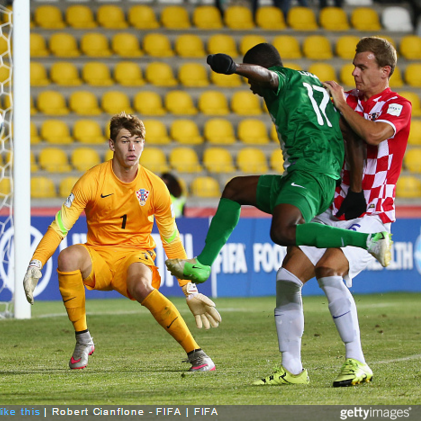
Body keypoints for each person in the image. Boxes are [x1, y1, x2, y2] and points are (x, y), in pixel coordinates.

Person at [253, 37, 411, 386]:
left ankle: (357, 361)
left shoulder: (398, 106)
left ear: (384, 71)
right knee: (286, 279)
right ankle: (292, 369)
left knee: (328, 270)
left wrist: (340, 103)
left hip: (372, 215)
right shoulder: (344, 102)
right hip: (333, 211)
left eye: (362, 67)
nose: (354, 73)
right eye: (354, 65)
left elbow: (371, 135)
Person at [166, 43, 392, 284]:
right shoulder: (314, 85)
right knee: (235, 190)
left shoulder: (282, 79)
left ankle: (369, 241)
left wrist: (235, 68)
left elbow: (268, 76)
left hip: (312, 175)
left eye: (251, 80)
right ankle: (203, 265)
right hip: (304, 174)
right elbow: (352, 137)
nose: (252, 88)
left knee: (283, 231)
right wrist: (355, 188)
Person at [23, 112, 221, 372]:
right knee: (68, 257)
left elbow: (171, 240)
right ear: (112, 144)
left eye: (138, 141)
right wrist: (36, 262)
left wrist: (190, 291)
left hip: (136, 256)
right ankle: (83, 339)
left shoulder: (155, 186)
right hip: (99, 256)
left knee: (141, 284)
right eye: (125, 140)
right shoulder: (92, 180)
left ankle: (197, 353)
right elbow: (60, 225)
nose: (132, 147)